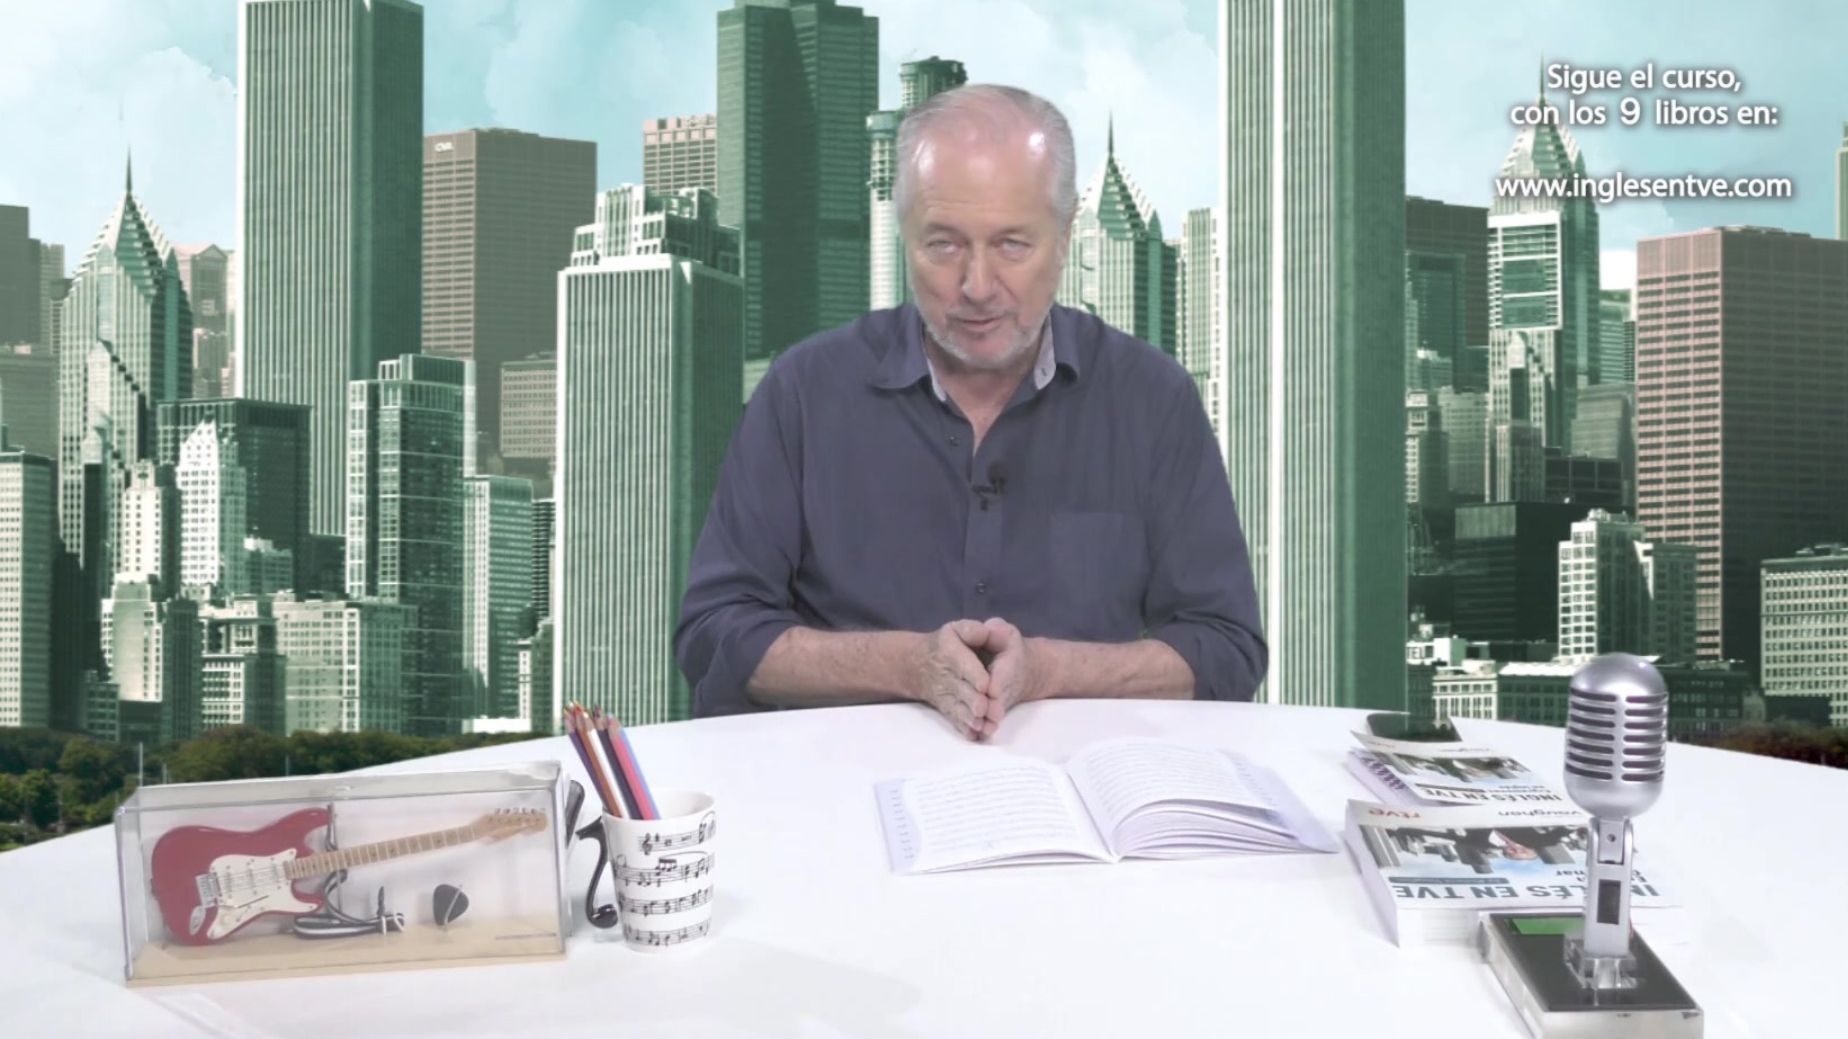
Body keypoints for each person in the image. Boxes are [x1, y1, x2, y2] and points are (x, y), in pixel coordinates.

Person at [674, 84, 1264, 740]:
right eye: (944, 246)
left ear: (1066, 237)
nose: (978, 287)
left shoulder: (1153, 400)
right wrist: (907, 666)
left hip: (1073, 781)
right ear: (903, 236)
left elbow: (1226, 649)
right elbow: (713, 633)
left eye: (1012, 245)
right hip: (842, 782)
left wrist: (1049, 670)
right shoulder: (803, 392)